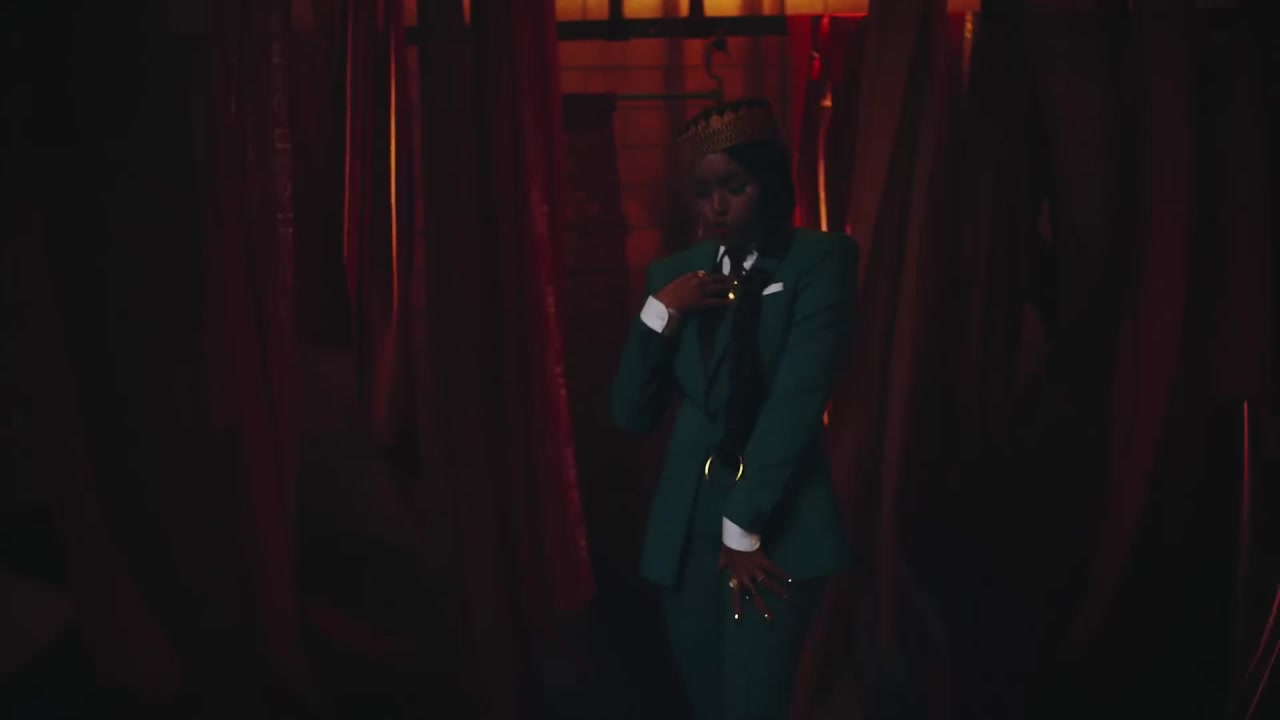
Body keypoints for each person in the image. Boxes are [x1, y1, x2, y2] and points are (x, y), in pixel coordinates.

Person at [611, 98, 859, 720]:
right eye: (702, 192)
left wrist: (742, 526)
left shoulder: (820, 260)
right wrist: (659, 315)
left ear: (768, 184)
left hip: (771, 534)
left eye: (734, 187)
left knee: (754, 704)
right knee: (709, 703)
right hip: (685, 536)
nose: (716, 207)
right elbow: (632, 413)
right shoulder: (674, 276)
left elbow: (798, 400)